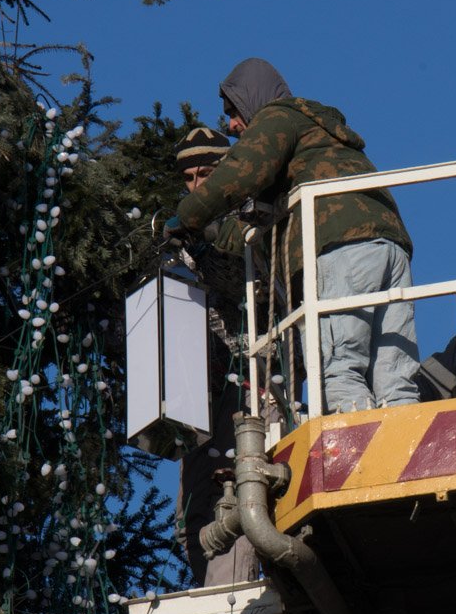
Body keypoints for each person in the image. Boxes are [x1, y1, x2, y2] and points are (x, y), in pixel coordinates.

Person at [166, 58, 419, 414]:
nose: (231, 124)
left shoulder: (276, 118)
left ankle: (355, 457)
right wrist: (215, 237)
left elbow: (240, 173)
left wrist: (186, 218)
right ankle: (403, 437)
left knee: (340, 365)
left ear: (252, 98)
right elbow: (250, 227)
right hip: (389, 246)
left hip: (338, 248)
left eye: (233, 110)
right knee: (394, 373)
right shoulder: (321, 137)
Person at [170, 127, 259, 587]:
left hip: (255, 381)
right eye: (189, 176)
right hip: (203, 390)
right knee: (194, 503)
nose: (197, 184)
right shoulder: (180, 240)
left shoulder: (251, 220)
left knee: (240, 487)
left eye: (207, 172)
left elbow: (252, 283)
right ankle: (209, 590)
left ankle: (229, 602)